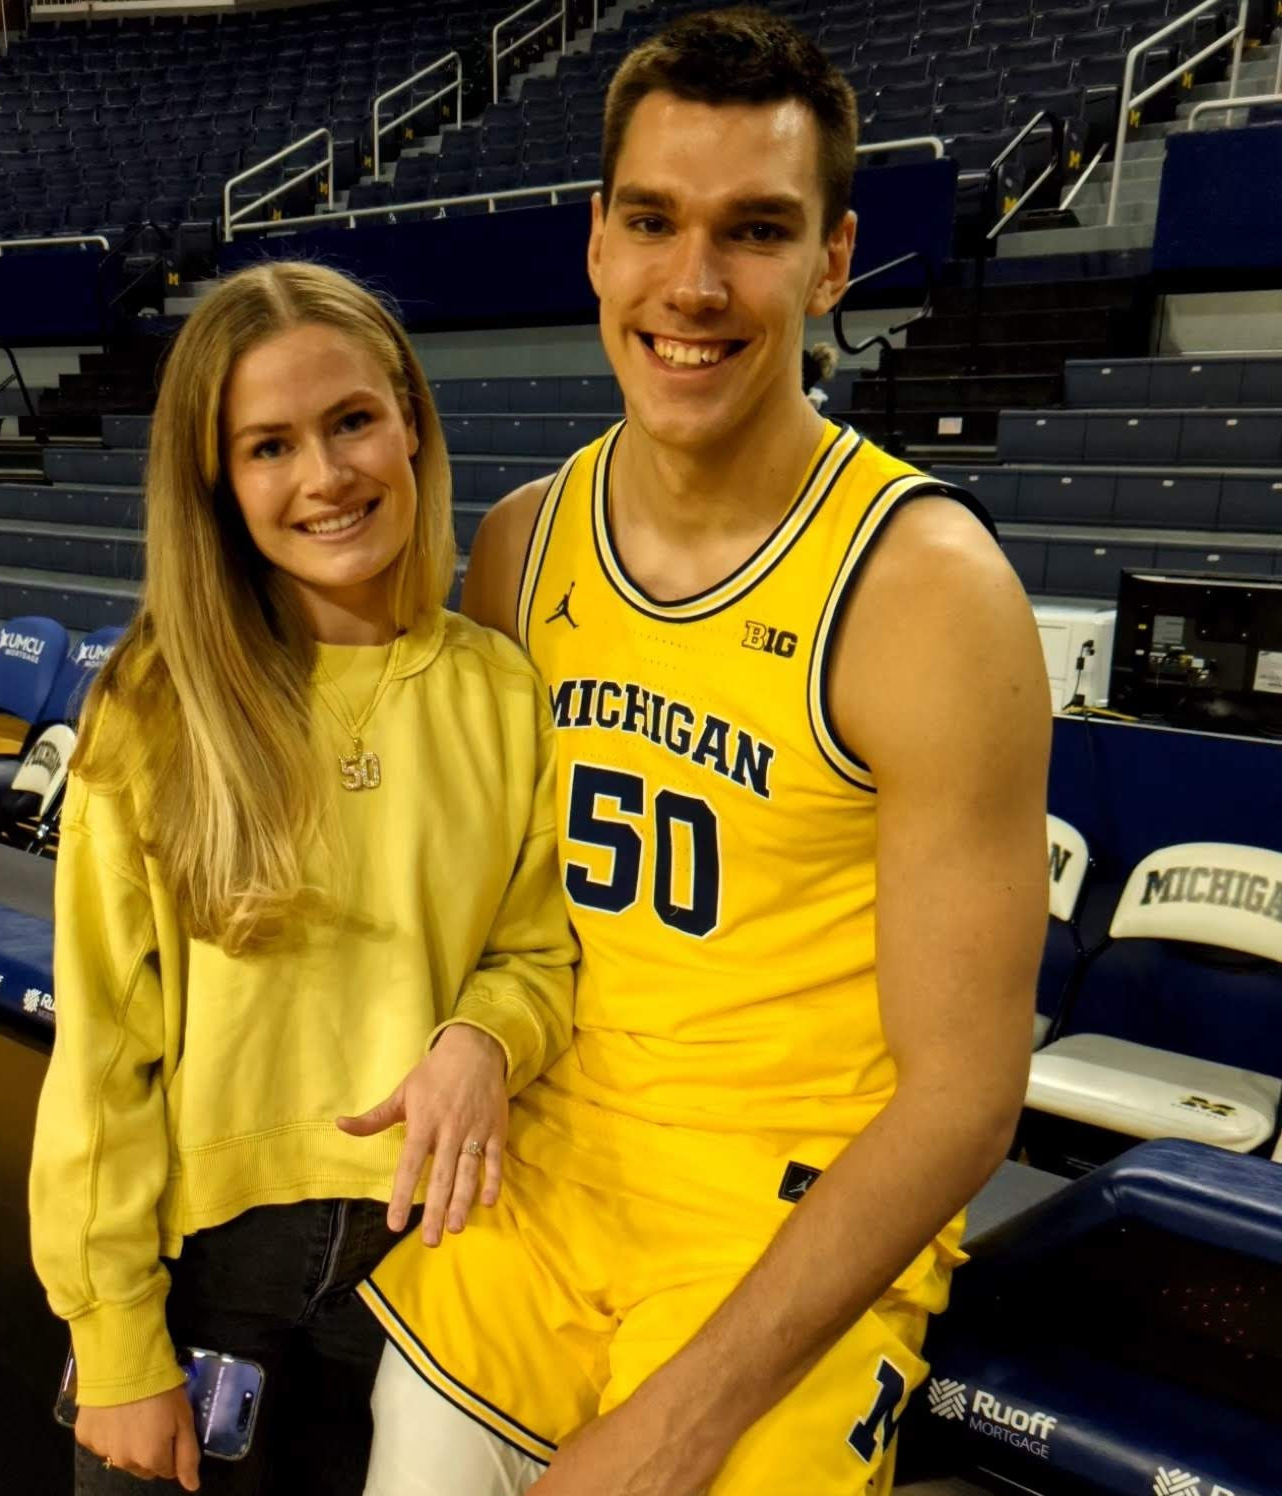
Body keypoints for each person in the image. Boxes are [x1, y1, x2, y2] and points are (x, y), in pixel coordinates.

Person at [360, 9, 1051, 1495]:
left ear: (833, 260)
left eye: (756, 230)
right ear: (596, 240)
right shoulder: (521, 546)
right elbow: (502, 916)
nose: (693, 282)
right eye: (654, 220)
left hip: (782, 1224)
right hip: (540, 1183)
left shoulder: (930, 594)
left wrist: (683, 1422)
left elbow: (964, 1098)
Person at [28, 261, 577, 1496]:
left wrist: (485, 1035)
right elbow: (105, 1052)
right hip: (203, 1265)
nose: (325, 475)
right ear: (218, 483)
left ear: (411, 422)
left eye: (352, 421)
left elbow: (537, 952)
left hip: (426, 1261)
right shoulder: (156, 708)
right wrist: (112, 1334)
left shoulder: (500, 691)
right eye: (269, 445)